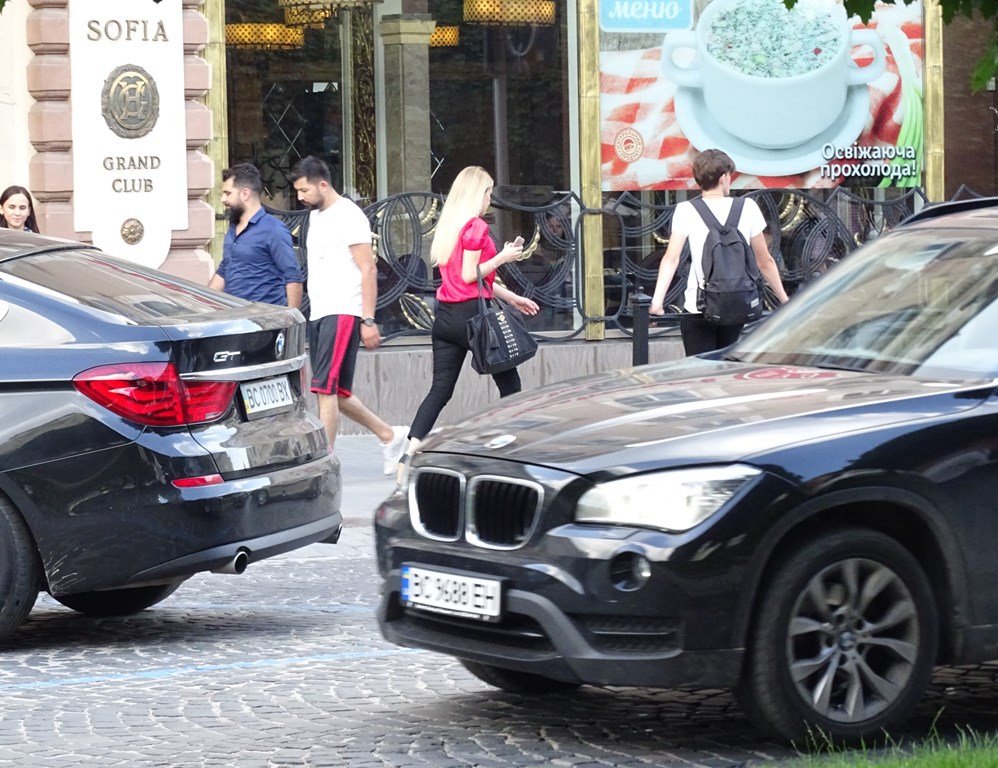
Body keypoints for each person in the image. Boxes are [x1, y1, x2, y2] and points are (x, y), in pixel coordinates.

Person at [401, 165, 540, 471]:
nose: (490, 197)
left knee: (440, 390)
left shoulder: (450, 226)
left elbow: (475, 282)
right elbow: (469, 276)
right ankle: (514, 451)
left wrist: (512, 297)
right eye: (488, 191)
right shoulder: (476, 227)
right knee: (510, 384)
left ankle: (408, 454)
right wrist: (503, 257)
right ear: (478, 193)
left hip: (446, 319)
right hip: (474, 319)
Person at [289, 155, 407, 473]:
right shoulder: (314, 217)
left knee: (324, 389)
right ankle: (390, 435)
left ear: (323, 184)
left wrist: (367, 319)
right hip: (321, 312)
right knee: (337, 393)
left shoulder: (349, 216)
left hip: (343, 311)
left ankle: (324, 463)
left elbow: (368, 268)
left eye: (304, 190)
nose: (300, 197)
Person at [649, 149, 789, 355]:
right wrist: (784, 300)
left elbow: (671, 259)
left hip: (698, 306)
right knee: (724, 371)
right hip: (736, 302)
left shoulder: (686, 210)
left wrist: (657, 302)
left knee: (700, 372)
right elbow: (765, 261)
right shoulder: (747, 207)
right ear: (723, 177)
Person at [208, 163, 303, 309]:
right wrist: (203, 305)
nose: (222, 199)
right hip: (235, 318)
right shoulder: (233, 228)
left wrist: (292, 322)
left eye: (228, 193)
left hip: (265, 320)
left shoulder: (273, 229)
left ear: (245, 194)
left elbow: (292, 276)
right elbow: (224, 271)